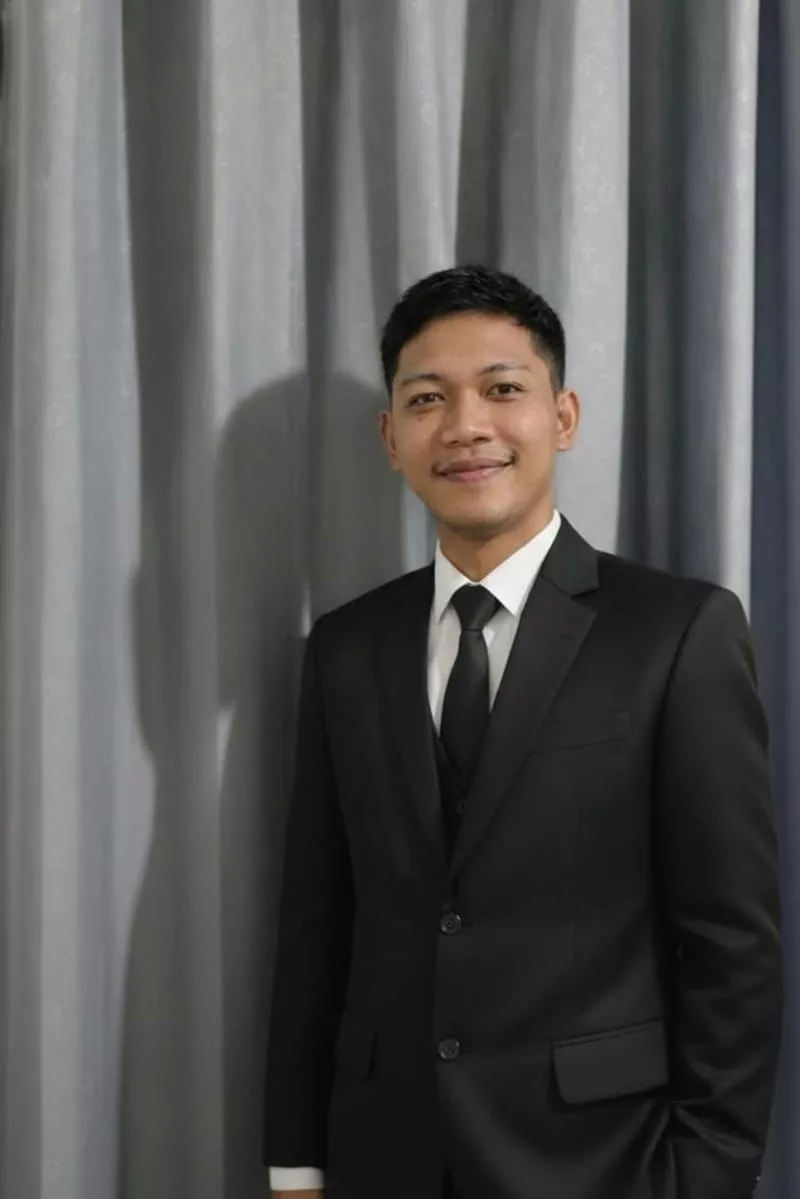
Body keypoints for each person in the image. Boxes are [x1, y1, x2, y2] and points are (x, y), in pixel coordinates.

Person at [263, 266, 782, 1199]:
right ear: (390, 437)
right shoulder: (346, 647)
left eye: (503, 388)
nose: (466, 425)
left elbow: (730, 942)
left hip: (605, 1161)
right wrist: (296, 1163)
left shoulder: (677, 632)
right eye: (428, 399)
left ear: (564, 415)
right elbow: (316, 924)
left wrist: (710, 1175)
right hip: (386, 1156)